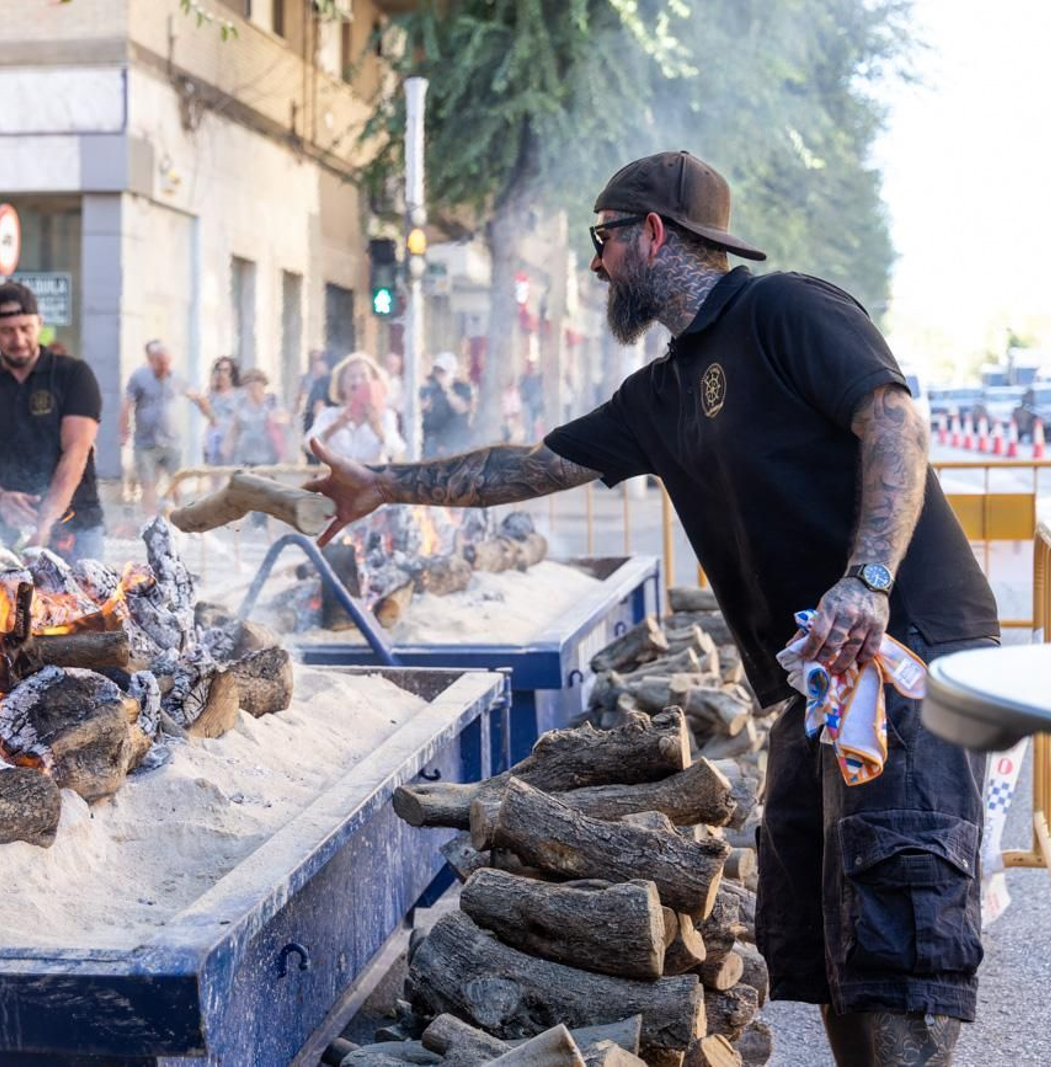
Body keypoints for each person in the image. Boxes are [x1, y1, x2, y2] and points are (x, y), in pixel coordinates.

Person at [306, 150, 999, 1066]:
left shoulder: (787, 310)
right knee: (835, 952)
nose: (596, 264)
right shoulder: (665, 392)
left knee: (895, 942)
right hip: (819, 682)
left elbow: (895, 421)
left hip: (906, 649)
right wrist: (383, 486)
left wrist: (867, 578)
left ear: (655, 234)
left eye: (604, 239)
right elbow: (528, 466)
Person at [0, 281, 104, 562]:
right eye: (7, 331)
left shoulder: (73, 375)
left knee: (86, 605)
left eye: (26, 328)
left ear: (39, 323)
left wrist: (45, 523)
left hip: (76, 528)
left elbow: (76, 452)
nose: (19, 339)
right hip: (9, 531)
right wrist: (1, 498)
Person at [120, 339, 197, 515]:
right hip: (146, 442)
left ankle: (180, 518)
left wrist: (212, 416)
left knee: (176, 482)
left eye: (166, 363)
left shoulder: (177, 377)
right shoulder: (139, 377)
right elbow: (127, 404)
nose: (164, 367)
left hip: (172, 441)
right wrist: (123, 431)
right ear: (151, 360)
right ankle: (151, 520)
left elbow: (195, 396)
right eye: (160, 363)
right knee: (148, 483)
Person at [311, 352, 404, 465]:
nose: (357, 381)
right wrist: (334, 427)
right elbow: (309, 446)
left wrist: (377, 429)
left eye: (363, 376)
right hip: (338, 478)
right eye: (352, 376)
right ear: (341, 384)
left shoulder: (386, 416)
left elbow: (396, 450)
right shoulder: (328, 414)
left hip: (371, 479)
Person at [223, 368, 286, 467]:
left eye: (257, 381)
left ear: (263, 384)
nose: (253, 384)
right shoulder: (240, 404)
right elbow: (234, 428)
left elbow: (283, 419)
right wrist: (227, 447)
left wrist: (273, 415)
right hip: (245, 454)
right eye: (249, 382)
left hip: (268, 453)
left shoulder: (271, 401)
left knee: (265, 481)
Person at [420, 351, 473, 457]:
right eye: (437, 371)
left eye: (442, 371)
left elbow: (461, 408)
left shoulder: (462, 388)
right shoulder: (430, 389)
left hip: (454, 441)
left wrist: (447, 389)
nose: (439, 374)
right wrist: (424, 407)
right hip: (432, 440)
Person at [200, 356, 242, 463]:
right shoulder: (211, 395)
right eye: (219, 370)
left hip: (233, 442)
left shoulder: (240, 394)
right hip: (214, 441)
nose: (221, 374)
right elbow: (207, 415)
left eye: (225, 370)